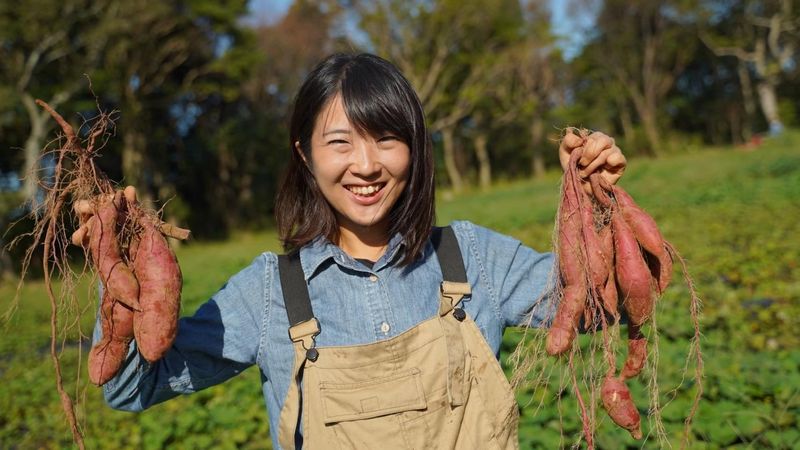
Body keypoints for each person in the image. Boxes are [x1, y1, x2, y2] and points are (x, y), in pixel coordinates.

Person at [82, 53, 626, 449]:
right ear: (305, 154)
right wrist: (120, 271)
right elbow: (130, 385)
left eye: (387, 138)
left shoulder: (473, 257)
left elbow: (603, 306)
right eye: (340, 142)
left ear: (414, 148)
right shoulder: (269, 294)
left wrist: (597, 200)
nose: (365, 165)